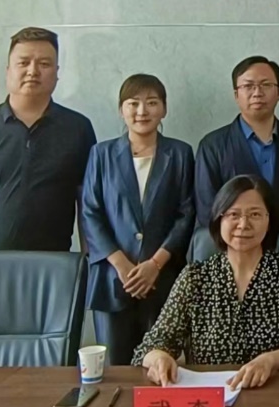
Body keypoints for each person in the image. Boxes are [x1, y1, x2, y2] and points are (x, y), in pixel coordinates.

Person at [134, 175, 279, 389]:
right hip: (211, 397)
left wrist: (269, 360)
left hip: (272, 390)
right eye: (233, 214)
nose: (243, 224)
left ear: (270, 221)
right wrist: (159, 358)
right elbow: (154, 342)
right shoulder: (195, 277)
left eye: (255, 214)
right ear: (218, 220)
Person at [0, 27, 96, 261]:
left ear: (57, 73)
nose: (33, 71)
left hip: (52, 270)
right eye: (23, 63)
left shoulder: (78, 129)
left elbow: (88, 205)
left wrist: (91, 266)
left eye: (44, 64)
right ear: (8, 71)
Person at [80, 74, 195, 366]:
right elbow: (90, 212)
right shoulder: (102, 154)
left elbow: (187, 214)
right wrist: (122, 265)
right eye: (133, 103)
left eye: (152, 103)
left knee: (161, 365)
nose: (142, 111)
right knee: (114, 367)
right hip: (112, 278)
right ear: (121, 109)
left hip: (163, 277)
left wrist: (154, 264)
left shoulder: (180, 154)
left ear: (164, 109)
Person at [195, 56, 279, 231]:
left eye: (266, 85)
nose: (257, 93)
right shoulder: (212, 146)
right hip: (235, 242)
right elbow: (207, 209)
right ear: (236, 95)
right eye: (248, 86)